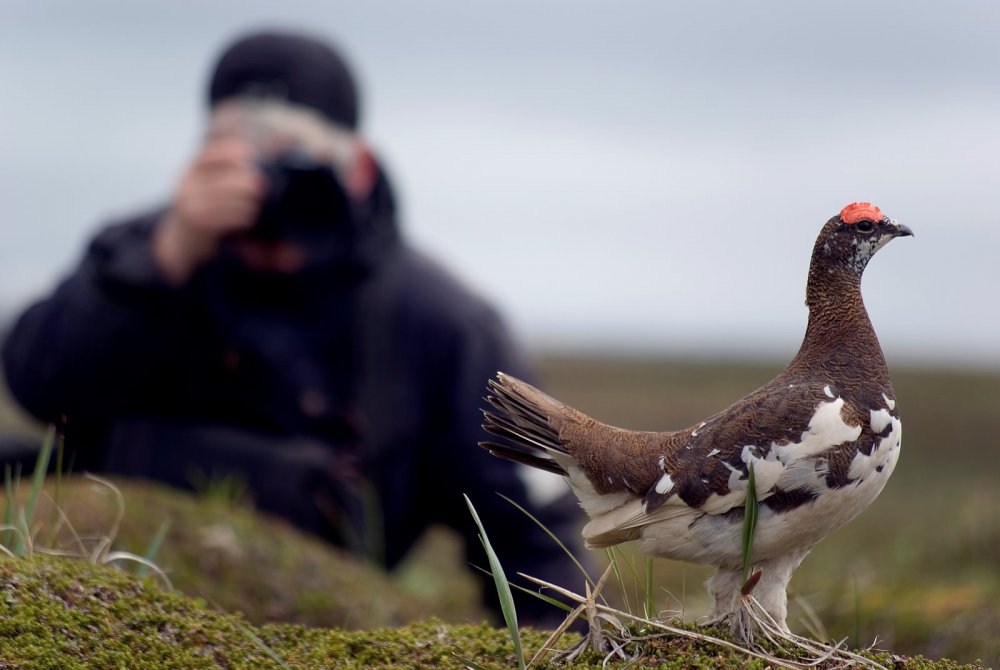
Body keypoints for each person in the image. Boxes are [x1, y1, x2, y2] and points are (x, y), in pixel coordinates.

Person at [1, 30, 581, 622]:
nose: (271, 198)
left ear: (359, 168)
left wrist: (559, 644)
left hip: (319, 621)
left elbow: (536, 541)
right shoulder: (144, 257)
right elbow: (36, 385)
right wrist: (163, 259)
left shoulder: (443, 324)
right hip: (104, 598)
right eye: (246, 162)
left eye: (297, 163)